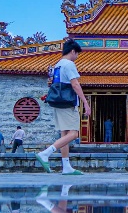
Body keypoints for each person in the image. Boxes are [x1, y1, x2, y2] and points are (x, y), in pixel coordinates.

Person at [36, 40, 91, 175]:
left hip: (58, 102)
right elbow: (75, 84)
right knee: (74, 133)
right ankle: (46, 153)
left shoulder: (58, 65)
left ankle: (66, 167)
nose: (77, 57)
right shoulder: (69, 64)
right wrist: (85, 102)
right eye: (77, 54)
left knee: (64, 134)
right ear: (72, 51)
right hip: (68, 103)